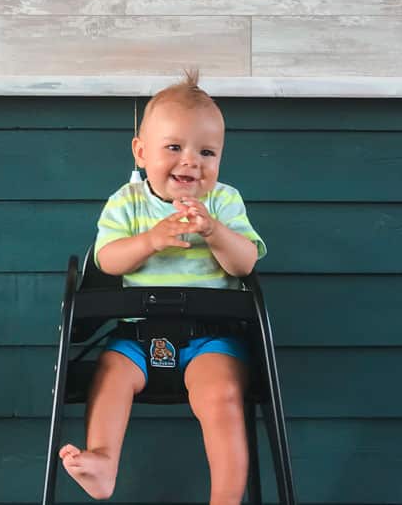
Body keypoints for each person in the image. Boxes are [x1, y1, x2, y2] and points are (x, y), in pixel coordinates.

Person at [59, 69, 267, 505]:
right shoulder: (127, 202)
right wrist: (151, 240)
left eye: (207, 152)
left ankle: (226, 499)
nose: (191, 161)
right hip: (136, 333)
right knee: (110, 377)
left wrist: (215, 232)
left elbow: (245, 262)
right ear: (140, 152)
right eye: (174, 147)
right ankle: (102, 462)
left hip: (212, 337)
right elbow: (106, 260)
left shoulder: (224, 201)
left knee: (223, 396)